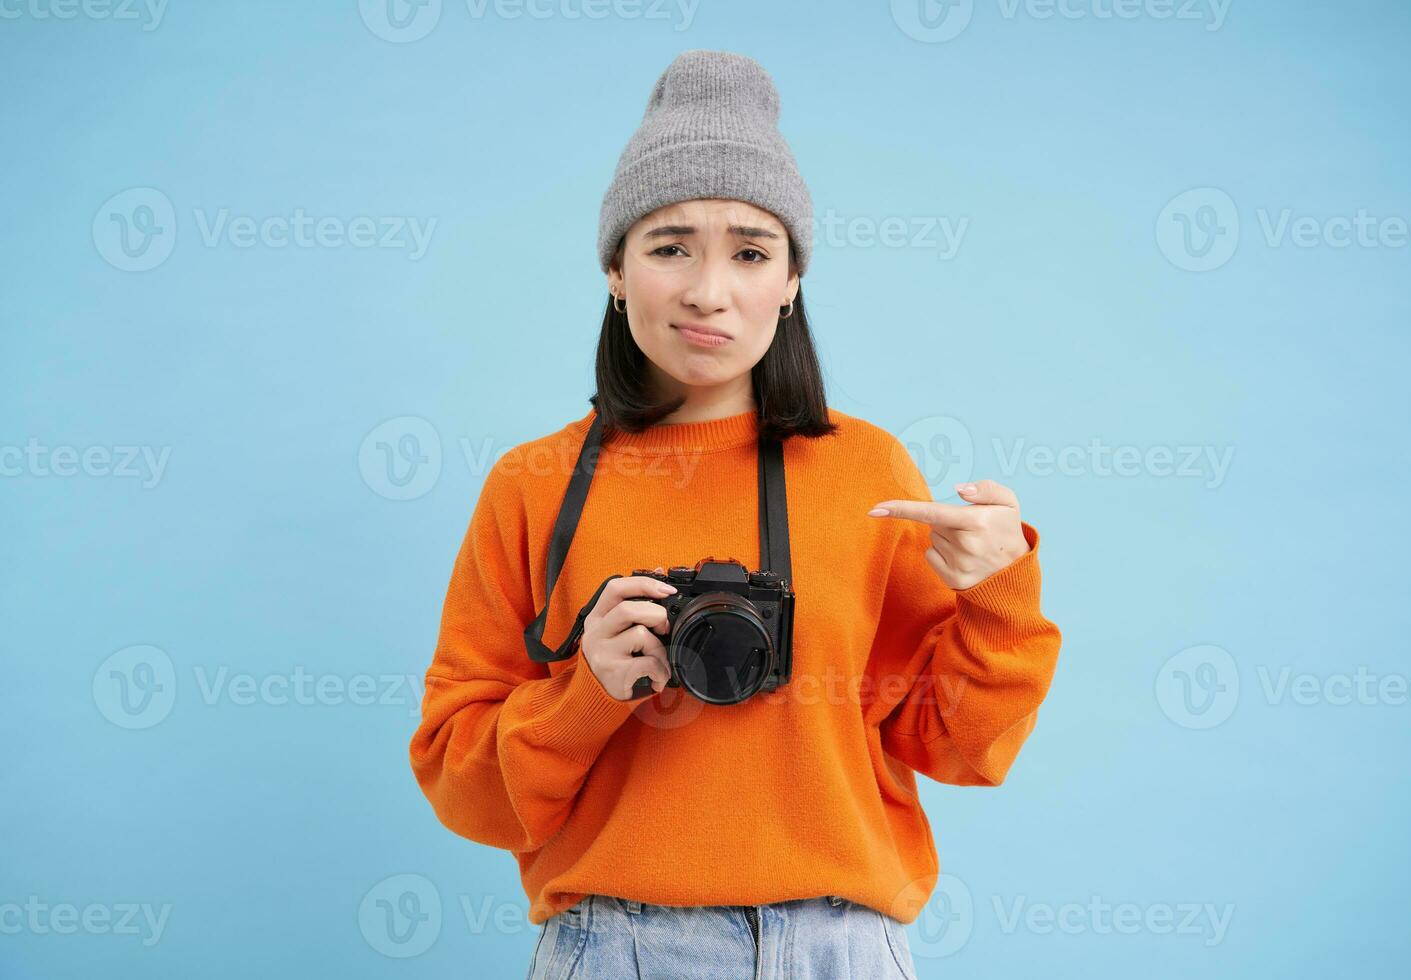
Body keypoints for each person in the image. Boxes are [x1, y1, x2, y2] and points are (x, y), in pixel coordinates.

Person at [408, 49, 1063, 980]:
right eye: (669, 245)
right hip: (614, 945)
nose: (708, 291)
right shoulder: (535, 483)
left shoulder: (866, 470)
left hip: (842, 944)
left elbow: (954, 746)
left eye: (751, 253)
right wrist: (585, 692)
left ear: (792, 280)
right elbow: (463, 790)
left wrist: (1001, 596)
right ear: (614, 268)